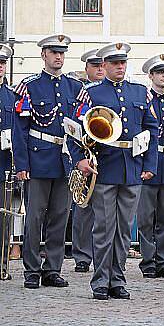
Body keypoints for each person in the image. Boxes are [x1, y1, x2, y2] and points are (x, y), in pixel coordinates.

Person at [69, 42, 158, 300]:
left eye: (123, 63)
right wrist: (79, 160)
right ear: (104, 65)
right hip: (104, 168)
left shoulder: (140, 92)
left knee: (123, 230)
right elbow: (74, 130)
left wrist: (149, 165)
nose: (120, 67)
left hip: (132, 168)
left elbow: (151, 130)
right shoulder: (91, 93)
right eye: (114, 63)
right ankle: (100, 281)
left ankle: (118, 280)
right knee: (104, 228)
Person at [13, 35, 85, 289]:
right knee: (34, 217)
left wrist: (79, 160)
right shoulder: (29, 86)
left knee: (59, 216)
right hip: (38, 158)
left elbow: (80, 128)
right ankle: (32, 269)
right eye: (54, 52)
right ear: (43, 54)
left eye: (62, 53)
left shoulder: (75, 88)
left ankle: (52, 268)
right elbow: (19, 129)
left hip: (64, 160)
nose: (58, 57)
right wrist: (22, 165)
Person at [136, 53, 164, 279]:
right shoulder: (144, 99)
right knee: (146, 217)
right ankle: (148, 259)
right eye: (160, 72)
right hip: (149, 163)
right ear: (151, 75)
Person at [71, 48, 105, 275]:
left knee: (105, 212)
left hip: (107, 156)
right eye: (95, 66)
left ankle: (103, 255)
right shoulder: (83, 92)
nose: (100, 69)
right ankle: (82, 255)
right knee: (84, 207)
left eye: (102, 65)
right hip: (87, 154)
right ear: (87, 69)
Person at [0, 44, 16, 280]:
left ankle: (2, 266)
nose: (0, 67)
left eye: (2, 63)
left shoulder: (11, 95)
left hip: (2, 164)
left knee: (3, 219)